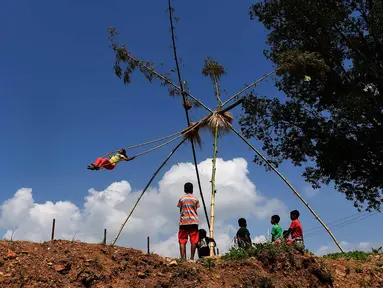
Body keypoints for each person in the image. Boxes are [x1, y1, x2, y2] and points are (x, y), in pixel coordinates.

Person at [177, 182, 200, 261]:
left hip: (184, 222)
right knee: (193, 240)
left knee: (182, 241)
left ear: (184, 189)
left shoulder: (181, 199)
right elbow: (196, 209)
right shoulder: (196, 199)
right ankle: (192, 258)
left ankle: (182, 258)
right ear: (192, 189)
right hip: (194, 222)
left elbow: (180, 209)